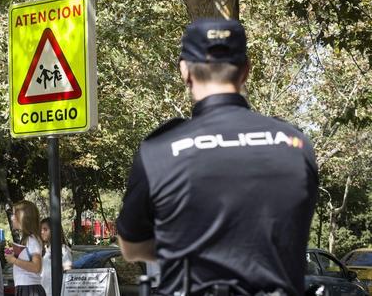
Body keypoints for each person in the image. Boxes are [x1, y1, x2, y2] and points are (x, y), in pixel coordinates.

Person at [116, 18, 318, 296]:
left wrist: (178, 246)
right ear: (246, 70)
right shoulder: (296, 145)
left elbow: (131, 247)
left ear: (185, 70)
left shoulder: (159, 150)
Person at [4, 200, 46, 296]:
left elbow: (36, 267)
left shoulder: (31, 240)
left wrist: (14, 260)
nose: (12, 217)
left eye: (14, 214)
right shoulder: (28, 239)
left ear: (23, 217)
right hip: (26, 288)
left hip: (29, 289)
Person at [40, 217, 72, 296]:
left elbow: (68, 272)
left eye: (45, 229)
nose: (42, 232)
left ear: (54, 230)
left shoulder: (63, 249)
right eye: (41, 229)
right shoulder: (42, 249)